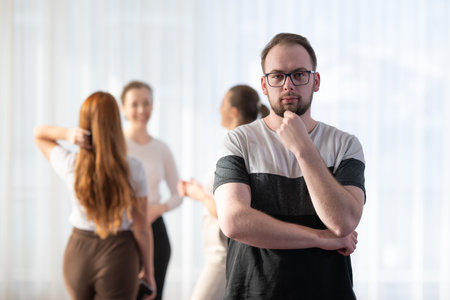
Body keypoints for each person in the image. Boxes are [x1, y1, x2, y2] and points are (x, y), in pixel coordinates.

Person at [213, 33, 365, 299]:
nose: (287, 85)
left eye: (299, 75)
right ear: (264, 84)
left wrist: (304, 150)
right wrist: (319, 237)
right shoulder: (238, 141)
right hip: (253, 293)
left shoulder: (345, 145)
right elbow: (234, 221)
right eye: (277, 76)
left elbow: (343, 222)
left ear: (315, 81)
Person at [33, 91, 156, 300]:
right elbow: (141, 228)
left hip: (78, 254)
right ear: (116, 125)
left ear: (84, 125)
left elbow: (39, 134)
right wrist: (150, 274)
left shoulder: (71, 164)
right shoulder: (133, 169)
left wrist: (68, 134)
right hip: (119, 254)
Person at [178, 85, 269, 300]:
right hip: (217, 254)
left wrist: (199, 194)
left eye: (222, 104)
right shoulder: (234, 146)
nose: (218, 109)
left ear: (234, 112)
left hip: (224, 256)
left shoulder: (243, 150)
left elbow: (232, 212)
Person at [121, 80, 183, 300]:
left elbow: (178, 193)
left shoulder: (160, 148)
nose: (141, 110)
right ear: (123, 108)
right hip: (123, 232)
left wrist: (158, 209)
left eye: (146, 103)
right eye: (135, 104)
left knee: (152, 295)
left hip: (155, 232)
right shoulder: (116, 146)